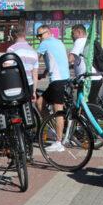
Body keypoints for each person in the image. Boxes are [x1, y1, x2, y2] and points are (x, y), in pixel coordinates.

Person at [35, 25, 70, 153]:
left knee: (58, 111)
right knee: (39, 103)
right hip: (62, 79)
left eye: (40, 35)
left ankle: (59, 142)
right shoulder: (58, 42)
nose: (39, 38)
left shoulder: (45, 43)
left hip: (57, 81)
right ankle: (51, 129)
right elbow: (56, 60)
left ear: (48, 33)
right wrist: (44, 74)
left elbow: (34, 59)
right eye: (37, 36)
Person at [6, 26, 39, 97]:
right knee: (27, 106)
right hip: (29, 85)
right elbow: (35, 75)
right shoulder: (33, 52)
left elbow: (7, 68)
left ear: (13, 36)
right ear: (24, 35)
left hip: (15, 85)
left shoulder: (11, 50)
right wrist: (34, 91)